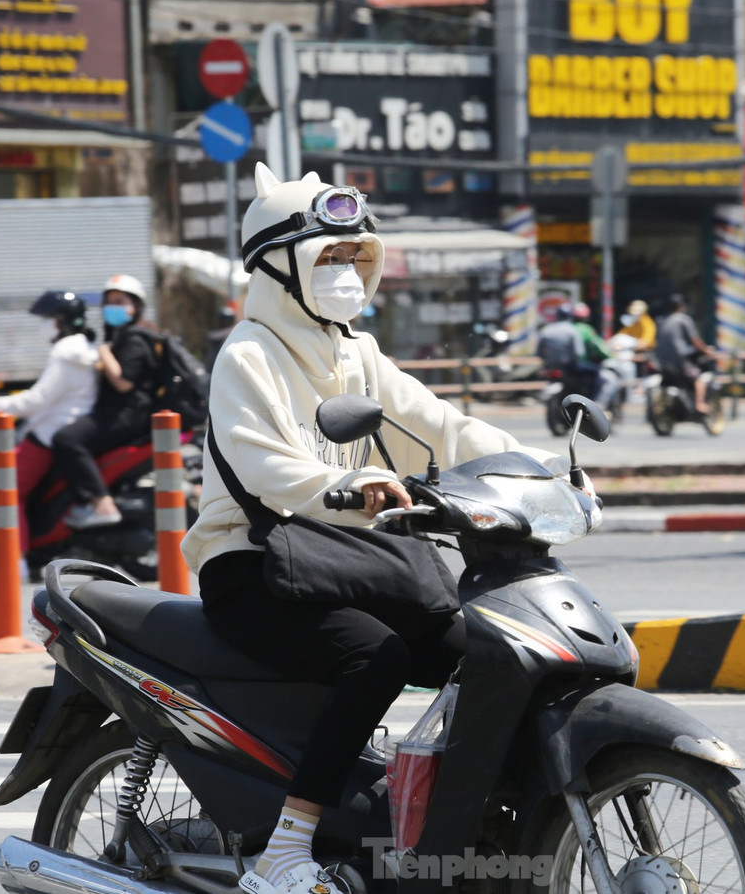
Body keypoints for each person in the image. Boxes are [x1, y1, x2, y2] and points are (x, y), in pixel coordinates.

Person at [183, 165, 575, 894]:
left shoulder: (353, 350)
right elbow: (264, 464)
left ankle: (449, 822)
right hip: (250, 563)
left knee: (483, 647)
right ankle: (285, 851)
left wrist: (534, 464)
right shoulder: (248, 353)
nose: (345, 272)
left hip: (335, 555)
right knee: (377, 656)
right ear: (278, 266)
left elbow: (434, 420)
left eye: (355, 256)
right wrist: (345, 483)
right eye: (326, 257)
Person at [0, 290, 99, 552]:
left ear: (61, 321)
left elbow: (35, 401)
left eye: (48, 318)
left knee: (5, 494)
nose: (44, 324)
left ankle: (15, 564)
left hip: (48, 435)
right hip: (66, 427)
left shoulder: (65, 353)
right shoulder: (84, 350)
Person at [51, 274, 160, 529]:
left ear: (136, 306)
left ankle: (102, 505)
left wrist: (103, 351)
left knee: (67, 439)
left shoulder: (135, 338)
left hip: (127, 415)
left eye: (120, 301)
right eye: (108, 302)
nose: (112, 307)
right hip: (117, 412)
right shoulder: (121, 337)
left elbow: (124, 382)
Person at [654, 294, 718, 414]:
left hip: (660, 362)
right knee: (699, 378)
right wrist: (706, 351)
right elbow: (695, 341)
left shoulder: (661, 321)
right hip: (679, 360)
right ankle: (699, 404)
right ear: (681, 306)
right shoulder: (683, 319)